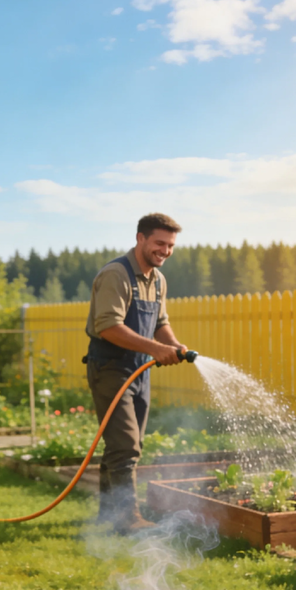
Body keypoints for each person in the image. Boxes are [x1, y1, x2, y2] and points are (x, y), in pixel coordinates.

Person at [84, 213, 187, 533]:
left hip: (139, 371)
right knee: (127, 446)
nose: (165, 251)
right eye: (159, 243)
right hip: (111, 368)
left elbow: (160, 323)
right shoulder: (117, 274)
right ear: (140, 238)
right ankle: (127, 519)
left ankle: (109, 515)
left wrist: (173, 345)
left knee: (124, 445)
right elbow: (109, 327)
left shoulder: (158, 280)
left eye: (170, 245)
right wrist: (156, 350)